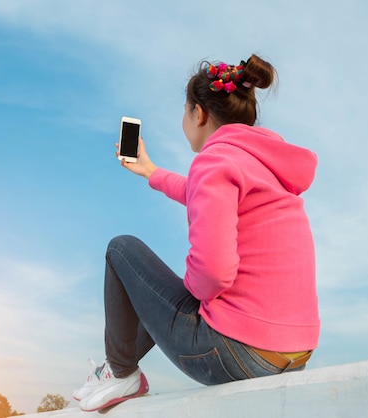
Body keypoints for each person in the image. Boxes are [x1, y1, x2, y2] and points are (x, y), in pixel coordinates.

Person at [74, 54, 320, 412]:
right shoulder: (262, 166)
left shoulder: (213, 160)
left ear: (199, 114)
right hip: (295, 350)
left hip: (238, 354)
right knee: (165, 291)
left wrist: (182, 294)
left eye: (185, 110)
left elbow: (212, 275)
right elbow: (198, 190)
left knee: (121, 249)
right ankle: (118, 365)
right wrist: (150, 171)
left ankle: (121, 371)